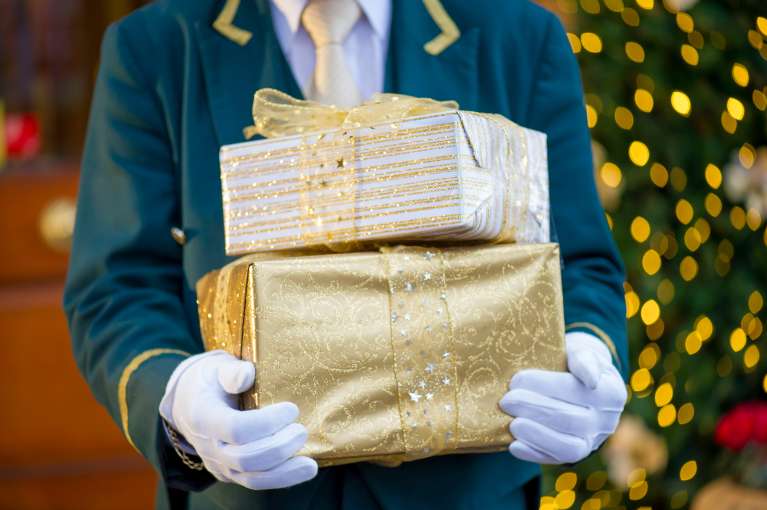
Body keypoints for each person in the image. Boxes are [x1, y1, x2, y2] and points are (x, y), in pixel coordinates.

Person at [63, 0, 628, 508]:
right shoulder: (155, 46)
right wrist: (177, 394)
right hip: (249, 498)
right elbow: (119, 284)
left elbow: (578, 261)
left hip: (464, 493)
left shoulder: (519, 36)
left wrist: (585, 354)